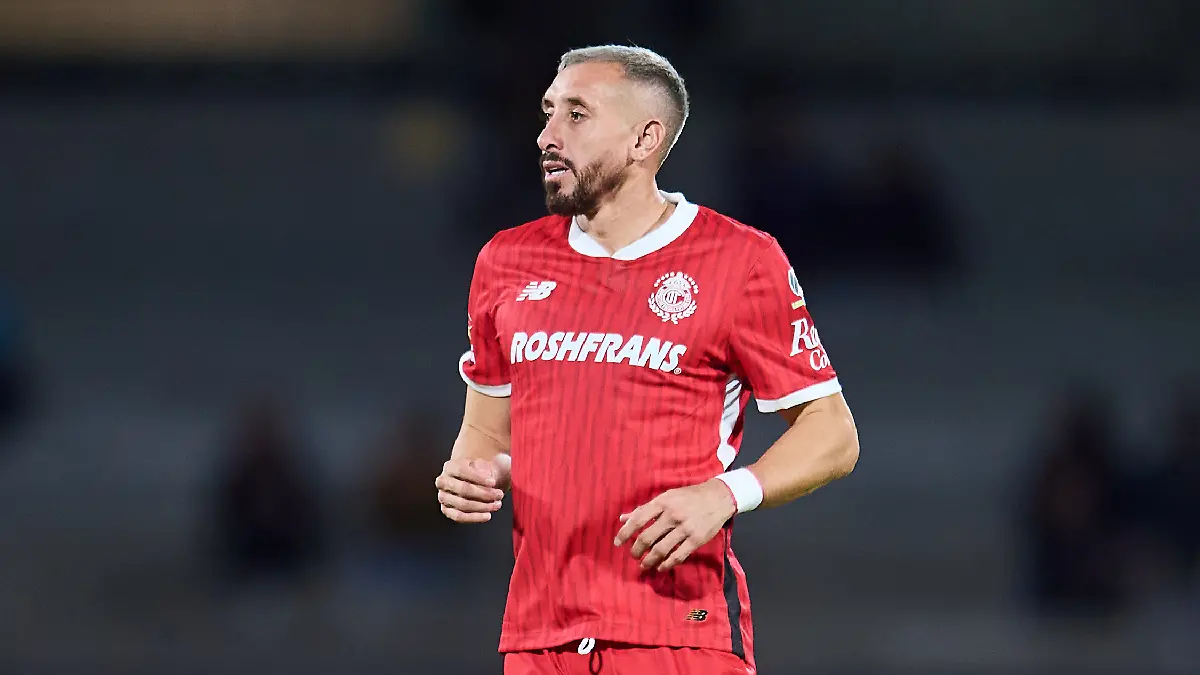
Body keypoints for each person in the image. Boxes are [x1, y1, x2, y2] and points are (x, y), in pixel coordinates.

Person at [435, 45, 859, 675]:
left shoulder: (739, 260)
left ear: (644, 139)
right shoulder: (505, 261)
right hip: (539, 636)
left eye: (576, 116)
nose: (546, 134)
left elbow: (833, 434)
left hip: (679, 632)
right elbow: (485, 437)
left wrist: (726, 493)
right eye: (549, 112)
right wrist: (475, 475)